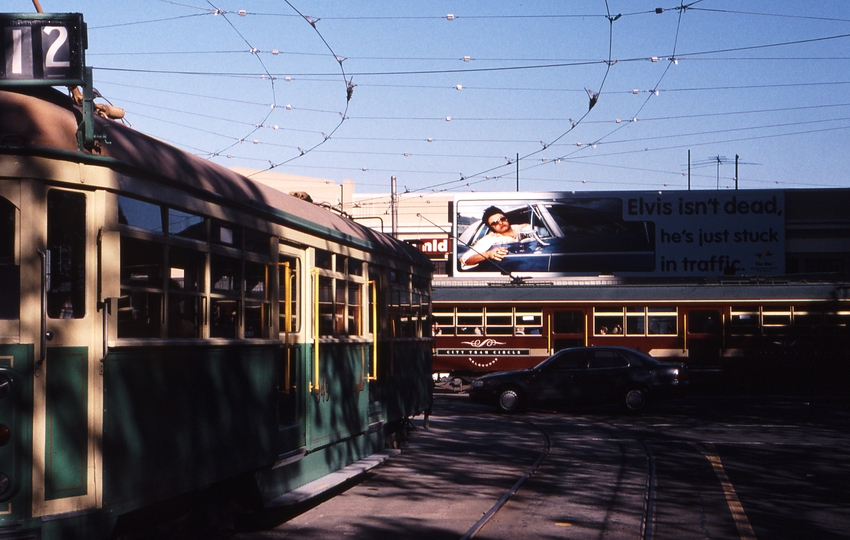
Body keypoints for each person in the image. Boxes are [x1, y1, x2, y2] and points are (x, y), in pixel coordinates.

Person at [460, 206, 530, 270]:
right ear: (491, 227)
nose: (500, 223)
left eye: (502, 219)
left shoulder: (525, 227)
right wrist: (488, 254)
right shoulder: (489, 239)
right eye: (494, 223)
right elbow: (465, 260)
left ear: (506, 219)